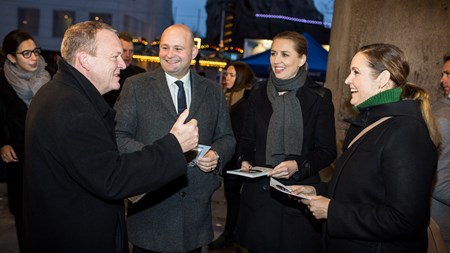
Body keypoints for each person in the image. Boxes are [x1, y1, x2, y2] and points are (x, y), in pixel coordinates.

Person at [22, 21, 199, 253]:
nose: (123, 64)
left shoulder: (63, 95)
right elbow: (113, 178)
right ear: (85, 60)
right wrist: (174, 145)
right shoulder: (70, 107)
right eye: (114, 56)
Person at [291, 43, 440, 253]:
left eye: (356, 72)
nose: (347, 80)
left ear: (382, 79)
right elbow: (361, 191)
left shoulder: (406, 132)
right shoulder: (368, 123)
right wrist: (317, 191)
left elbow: (405, 220)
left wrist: (332, 211)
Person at [114, 24, 236, 253]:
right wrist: (160, 157)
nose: (169, 55)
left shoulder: (212, 91)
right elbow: (119, 136)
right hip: (152, 209)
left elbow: (227, 137)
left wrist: (216, 154)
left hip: (195, 213)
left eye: (178, 48)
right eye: (164, 47)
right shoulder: (136, 87)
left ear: (194, 52)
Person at [234, 31, 337, 253]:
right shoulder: (257, 94)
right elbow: (246, 141)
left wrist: (297, 165)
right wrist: (245, 161)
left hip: (297, 198)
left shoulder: (319, 97)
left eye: (284, 54)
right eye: (273, 53)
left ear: (301, 60)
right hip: (260, 200)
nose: (276, 60)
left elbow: (327, 150)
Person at [0, 29, 51, 252]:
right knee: (24, 216)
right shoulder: (2, 84)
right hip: (20, 158)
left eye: (35, 51)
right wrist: (2, 143)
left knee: (50, 215)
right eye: (26, 53)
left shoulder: (51, 77)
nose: (34, 58)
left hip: (49, 157)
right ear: (11, 57)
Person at [208, 61, 255, 249]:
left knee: (236, 197)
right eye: (226, 74)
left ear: (241, 78)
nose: (226, 78)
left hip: (240, 158)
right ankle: (232, 233)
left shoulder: (247, 100)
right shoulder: (227, 97)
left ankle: (231, 234)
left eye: (231, 75)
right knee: (231, 196)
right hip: (228, 156)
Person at [431, 53, 450, 252]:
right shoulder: (444, 118)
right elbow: (438, 182)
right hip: (441, 223)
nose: (442, 80)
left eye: (448, 74)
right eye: (444, 73)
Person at [103, 31, 145, 107]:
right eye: (124, 51)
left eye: (131, 51)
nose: (128, 55)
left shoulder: (141, 73)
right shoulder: (108, 73)